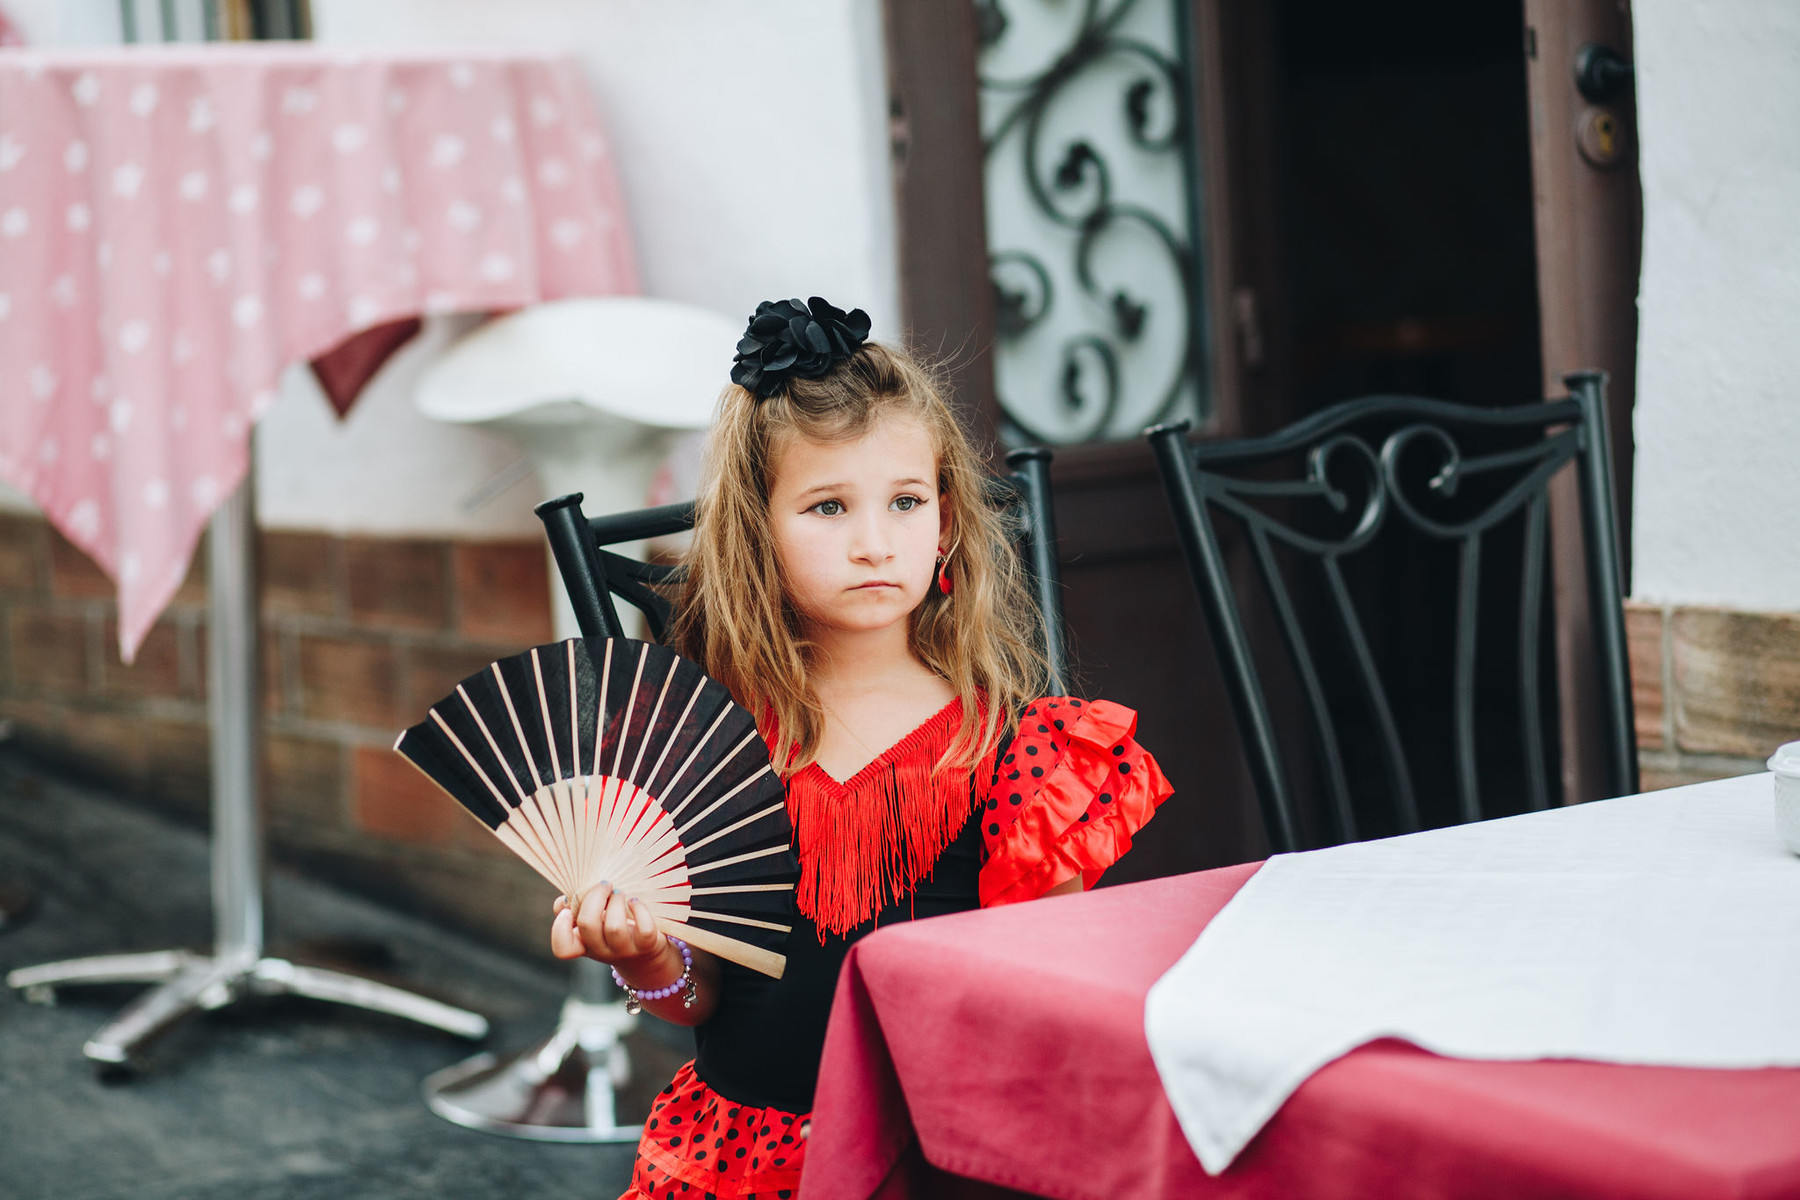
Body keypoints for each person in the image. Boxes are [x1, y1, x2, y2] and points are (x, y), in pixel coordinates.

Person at [549, 297, 1172, 1200]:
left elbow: (1055, 994)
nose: (875, 543)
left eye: (905, 502)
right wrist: (645, 960)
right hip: (750, 1163)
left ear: (947, 523)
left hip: (950, 1163)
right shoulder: (709, 749)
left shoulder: (1026, 747)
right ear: (759, 530)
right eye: (829, 506)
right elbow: (696, 999)